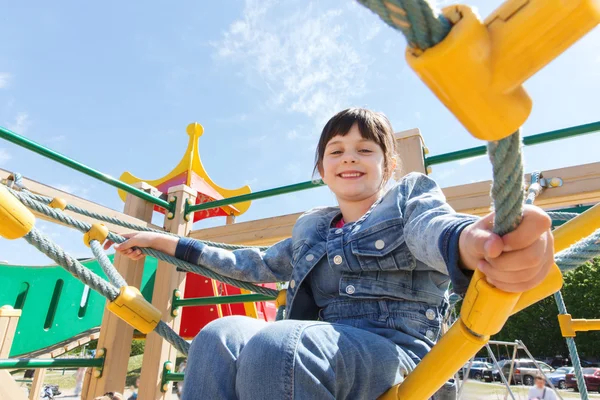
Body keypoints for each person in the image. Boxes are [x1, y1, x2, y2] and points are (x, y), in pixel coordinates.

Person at [106, 108, 555, 399]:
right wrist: (166, 242)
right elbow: (253, 263)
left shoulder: (407, 199)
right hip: (322, 347)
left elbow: (432, 228)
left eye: (366, 149)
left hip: (395, 350)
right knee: (218, 334)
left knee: (280, 345)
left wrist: (472, 243)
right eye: (336, 150)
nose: (349, 158)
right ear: (321, 168)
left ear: (388, 164)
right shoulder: (312, 227)